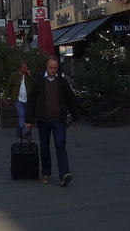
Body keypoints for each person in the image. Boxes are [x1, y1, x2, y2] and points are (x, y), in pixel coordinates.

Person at [24, 56, 80, 187]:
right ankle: (46, 172)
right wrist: (29, 120)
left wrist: (76, 117)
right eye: (51, 68)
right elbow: (31, 101)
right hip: (43, 119)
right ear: (46, 66)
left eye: (55, 68)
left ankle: (64, 174)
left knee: (60, 145)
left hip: (58, 119)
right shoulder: (39, 81)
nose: (53, 70)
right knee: (44, 146)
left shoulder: (62, 81)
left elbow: (70, 99)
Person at [5, 60, 35, 138]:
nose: (26, 69)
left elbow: (34, 84)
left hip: (26, 98)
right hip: (18, 98)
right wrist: (5, 98)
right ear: (20, 68)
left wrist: (30, 75)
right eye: (24, 67)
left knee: (23, 115)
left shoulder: (27, 76)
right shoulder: (14, 75)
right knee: (21, 114)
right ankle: (25, 131)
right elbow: (9, 86)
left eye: (26, 67)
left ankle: (19, 132)